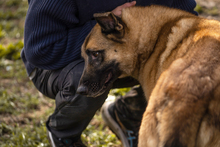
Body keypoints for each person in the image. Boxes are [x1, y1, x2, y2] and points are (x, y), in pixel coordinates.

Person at [21, 0, 197, 146]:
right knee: (84, 78)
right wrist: (105, 30)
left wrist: (138, 27)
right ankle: (64, 134)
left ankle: (129, 112)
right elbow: (40, 49)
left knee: (188, 61)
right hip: (52, 65)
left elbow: (186, 19)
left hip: (126, 50)